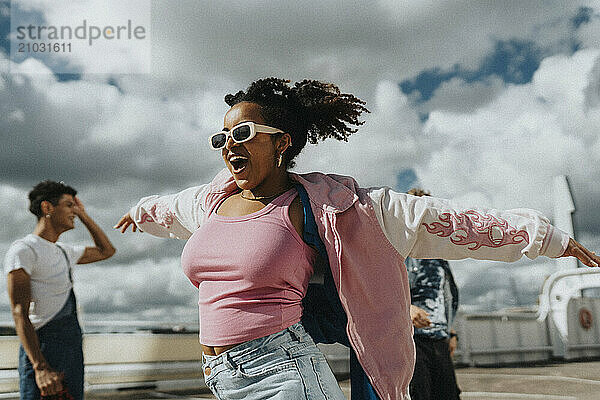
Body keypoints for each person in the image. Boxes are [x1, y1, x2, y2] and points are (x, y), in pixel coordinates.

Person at [114, 78, 599, 400]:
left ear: (282, 141)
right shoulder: (210, 203)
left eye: (242, 132)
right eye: (221, 138)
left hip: (284, 373)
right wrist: (139, 213)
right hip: (218, 377)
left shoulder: (338, 208)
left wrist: (544, 236)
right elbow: (167, 207)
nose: (228, 146)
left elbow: (440, 219)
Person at [4, 181, 116, 400]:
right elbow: (19, 312)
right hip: (42, 350)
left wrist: (83, 214)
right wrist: (40, 367)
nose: (73, 211)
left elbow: (107, 251)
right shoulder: (23, 250)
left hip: (71, 349)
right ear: (47, 208)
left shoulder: (64, 251)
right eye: (68, 205)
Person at [406, 187, 461, 400]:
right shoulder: (399, 252)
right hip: (411, 341)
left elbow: (445, 297)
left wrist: (451, 332)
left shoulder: (439, 256)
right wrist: (407, 308)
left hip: (439, 339)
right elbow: (380, 292)